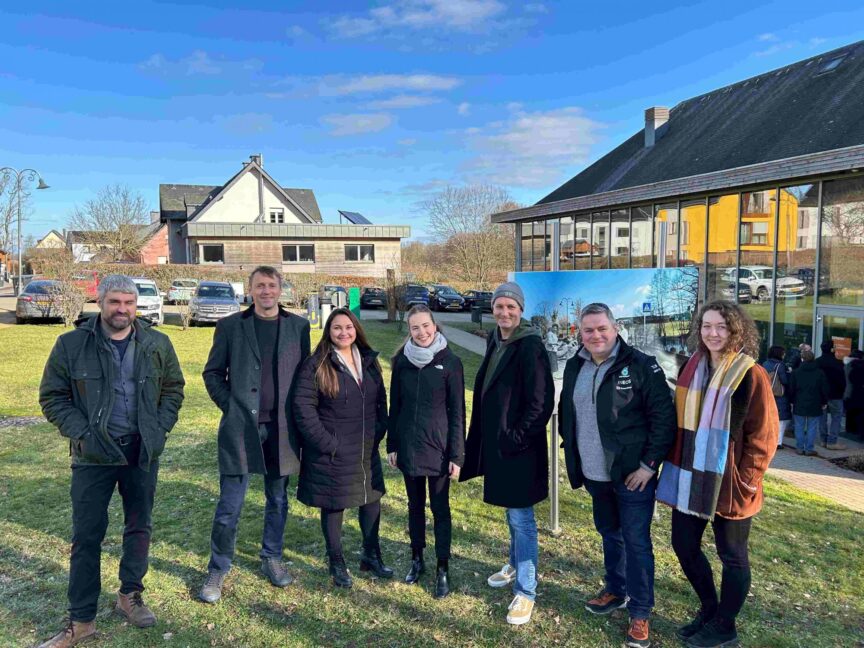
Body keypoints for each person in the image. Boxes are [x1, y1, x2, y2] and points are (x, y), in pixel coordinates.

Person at [38, 275, 185, 648]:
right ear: (100, 302)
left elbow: (173, 389)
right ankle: (82, 620)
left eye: (129, 303)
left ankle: (129, 595)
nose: (122, 310)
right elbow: (53, 396)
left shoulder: (157, 343)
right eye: (115, 302)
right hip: (93, 456)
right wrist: (83, 434)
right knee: (86, 536)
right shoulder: (72, 344)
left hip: (141, 452)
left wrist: (160, 428)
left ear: (137, 305)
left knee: (139, 527)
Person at [657, 300, 778, 648]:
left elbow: (764, 435)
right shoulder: (692, 366)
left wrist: (748, 480)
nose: (713, 333)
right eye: (707, 326)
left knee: (733, 555)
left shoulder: (750, 373)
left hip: (731, 482)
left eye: (721, 327)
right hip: (691, 474)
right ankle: (710, 609)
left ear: (735, 330)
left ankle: (726, 625)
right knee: (683, 545)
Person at [560, 303, 676, 648]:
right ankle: (615, 590)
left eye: (601, 329)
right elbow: (571, 413)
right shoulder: (574, 366)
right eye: (588, 330)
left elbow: (663, 419)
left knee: (637, 541)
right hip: (596, 474)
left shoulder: (641, 365)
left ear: (615, 328)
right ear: (579, 333)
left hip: (632, 475)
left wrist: (647, 466)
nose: (595, 336)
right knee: (610, 534)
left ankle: (640, 612)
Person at [199, 266, 310, 603]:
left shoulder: (298, 327)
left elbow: (305, 375)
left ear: (281, 290)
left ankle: (271, 557)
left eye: (271, 285)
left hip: (283, 429)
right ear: (250, 290)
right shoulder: (231, 326)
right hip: (240, 429)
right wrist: (230, 407)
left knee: (277, 499)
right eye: (259, 286)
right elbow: (213, 372)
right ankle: (218, 567)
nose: (266, 291)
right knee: (230, 503)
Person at [460, 282, 554, 626]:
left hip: (520, 448)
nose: (504, 313)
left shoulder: (529, 345)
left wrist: (516, 438)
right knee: (511, 515)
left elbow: (541, 401)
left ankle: (526, 591)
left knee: (522, 519)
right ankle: (514, 564)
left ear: (521, 310)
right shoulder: (496, 340)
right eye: (499, 307)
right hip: (500, 445)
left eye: (510, 307)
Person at [293, 308, 391, 588]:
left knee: (371, 499)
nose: (344, 332)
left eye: (348, 327)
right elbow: (303, 408)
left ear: (356, 329)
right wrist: (328, 443)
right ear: (329, 331)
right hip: (333, 452)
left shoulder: (369, 361)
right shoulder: (317, 364)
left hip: (365, 447)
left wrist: (380, 429)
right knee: (334, 505)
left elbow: (380, 401)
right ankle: (336, 562)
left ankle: (371, 555)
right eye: (337, 328)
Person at [387, 305, 465, 598]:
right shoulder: (401, 362)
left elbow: (457, 412)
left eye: (426, 326)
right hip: (408, 447)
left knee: (440, 509)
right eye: (415, 328)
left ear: (435, 325)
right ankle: (416, 558)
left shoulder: (451, 363)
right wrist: (392, 445)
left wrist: (457, 456)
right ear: (409, 330)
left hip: (440, 449)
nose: (421, 332)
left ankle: (442, 567)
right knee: (414, 506)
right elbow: (396, 407)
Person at [788, 350, 829, 456]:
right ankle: (809, 449)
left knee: (799, 426)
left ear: (802, 359)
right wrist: (824, 402)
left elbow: (791, 389)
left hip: (799, 402)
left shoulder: (796, 372)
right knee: (812, 427)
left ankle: (800, 448)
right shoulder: (820, 372)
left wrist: (791, 401)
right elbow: (824, 389)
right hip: (815, 403)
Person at [816, 340, 847, 450]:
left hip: (821, 395)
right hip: (836, 395)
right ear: (832, 349)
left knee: (822, 418)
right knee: (836, 417)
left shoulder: (817, 362)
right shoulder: (838, 363)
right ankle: (832, 441)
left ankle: (823, 440)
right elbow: (842, 381)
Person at [761, 345, 791, 450]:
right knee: (781, 419)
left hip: (767, 392)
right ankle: (778, 442)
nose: (784, 355)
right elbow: (785, 381)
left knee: (767, 416)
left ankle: (765, 438)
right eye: (783, 353)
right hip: (779, 395)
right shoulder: (780, 366)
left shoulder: (765, 363)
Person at [844, 350, 864, 439]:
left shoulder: (846, 365)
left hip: (846, 392)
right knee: (857, 412)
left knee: (850, 412)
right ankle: (855, 430)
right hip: (854, 392)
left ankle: (849, 429)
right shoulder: (857, 366)